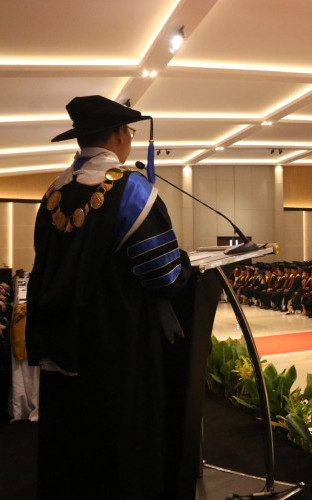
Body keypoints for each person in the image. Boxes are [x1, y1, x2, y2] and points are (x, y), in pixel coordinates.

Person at [25, 95, 191, 499]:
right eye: (129, 132)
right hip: (118, 344)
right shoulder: (130, 190)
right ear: (119, 134)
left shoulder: (54, 193)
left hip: (64, 344)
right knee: (118, 443)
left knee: (73, 440)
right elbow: (163, 275)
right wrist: (185, 263)